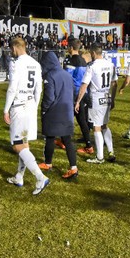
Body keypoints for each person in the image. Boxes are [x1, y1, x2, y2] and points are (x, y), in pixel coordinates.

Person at [3, 36, 49, 196]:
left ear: (15, 47)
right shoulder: (36, 64)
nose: (11, 52)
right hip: (30, 105)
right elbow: (39, 88)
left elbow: (12, 88)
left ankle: (40, 177)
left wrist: (5, 109)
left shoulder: (16, 63)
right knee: (24, 143)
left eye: (11, 49)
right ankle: (19, 176)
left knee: (17, 145)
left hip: (19, 107)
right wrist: (34, 106)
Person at [39, 50, 79, 179]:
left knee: (50, 137)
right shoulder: (67, 74)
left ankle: (48, 163)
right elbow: (73, 91)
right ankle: (73, 167)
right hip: (67, 110)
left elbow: (49, 97)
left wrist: (44, 109)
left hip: (54, 111)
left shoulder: (50, 76)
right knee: (67, 139)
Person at [75, 44, 118, 164]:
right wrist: (113, 99)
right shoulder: (110, 64)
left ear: (93, 53)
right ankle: (111, 151)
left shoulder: (92, 66)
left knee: (96, 127)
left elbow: (84, 85)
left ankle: (99, 157)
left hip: (96, 98)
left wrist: (78, 101)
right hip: (107, 96)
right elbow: (114, 84)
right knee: (105, 125)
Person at [63, 39, 93, 154]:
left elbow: (67, 78)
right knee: (81, 121)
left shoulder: (71, 61)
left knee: (67, 118)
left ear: (71, 47)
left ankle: (65, 141)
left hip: (73, 94)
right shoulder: (83, 60)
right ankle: (88, 144)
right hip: (82, 93)